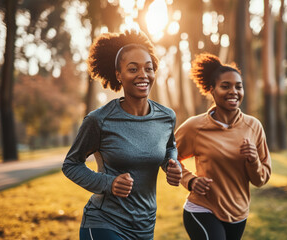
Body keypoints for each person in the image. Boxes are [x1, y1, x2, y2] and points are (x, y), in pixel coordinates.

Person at [62, 30, 182, 240]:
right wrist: (109, 183)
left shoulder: (166, 117)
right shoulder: (99, 120)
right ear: (119, 75)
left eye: (148, 68)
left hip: (144, 227)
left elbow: (168, 147)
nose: (143, 75)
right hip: (103, 223)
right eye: (133, 69)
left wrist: (172, 163)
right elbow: (71, 164)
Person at [175, 53, 272, 240]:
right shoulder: (195, 127)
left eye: (238, 86)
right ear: (212, 90)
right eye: (225, 86)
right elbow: (168, 156)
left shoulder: (254, 126)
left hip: (238, 213)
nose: (233, 91)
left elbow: (260, 180)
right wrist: (191, 181)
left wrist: (253, 161)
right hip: (202, 209)